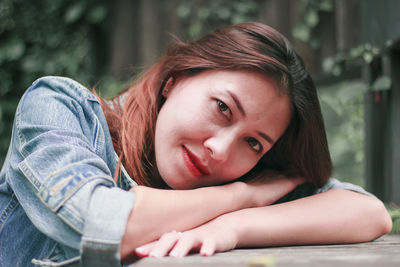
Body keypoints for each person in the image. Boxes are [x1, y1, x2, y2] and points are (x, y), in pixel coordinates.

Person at [0, 22, 392, 267]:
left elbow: (369, 213)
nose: (222, 151)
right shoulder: (59, 108)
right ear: (176, 78)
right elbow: (97, 222)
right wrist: (243, 196)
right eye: (223, 108)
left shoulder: (239, 177)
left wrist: (234, 227)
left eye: (254, 143)